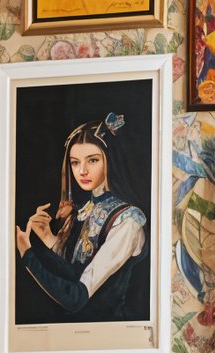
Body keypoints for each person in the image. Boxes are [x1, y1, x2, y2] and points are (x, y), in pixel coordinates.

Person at [14, 111, 149, 322]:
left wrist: (27, 253)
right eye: (75, 162)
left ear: (110, 161)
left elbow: (75, 297)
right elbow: (75, 269)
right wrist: (50, 238)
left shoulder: (127, 221)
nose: (82, 171)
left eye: (92, 160)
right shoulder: (86, 208)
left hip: (110, 331)